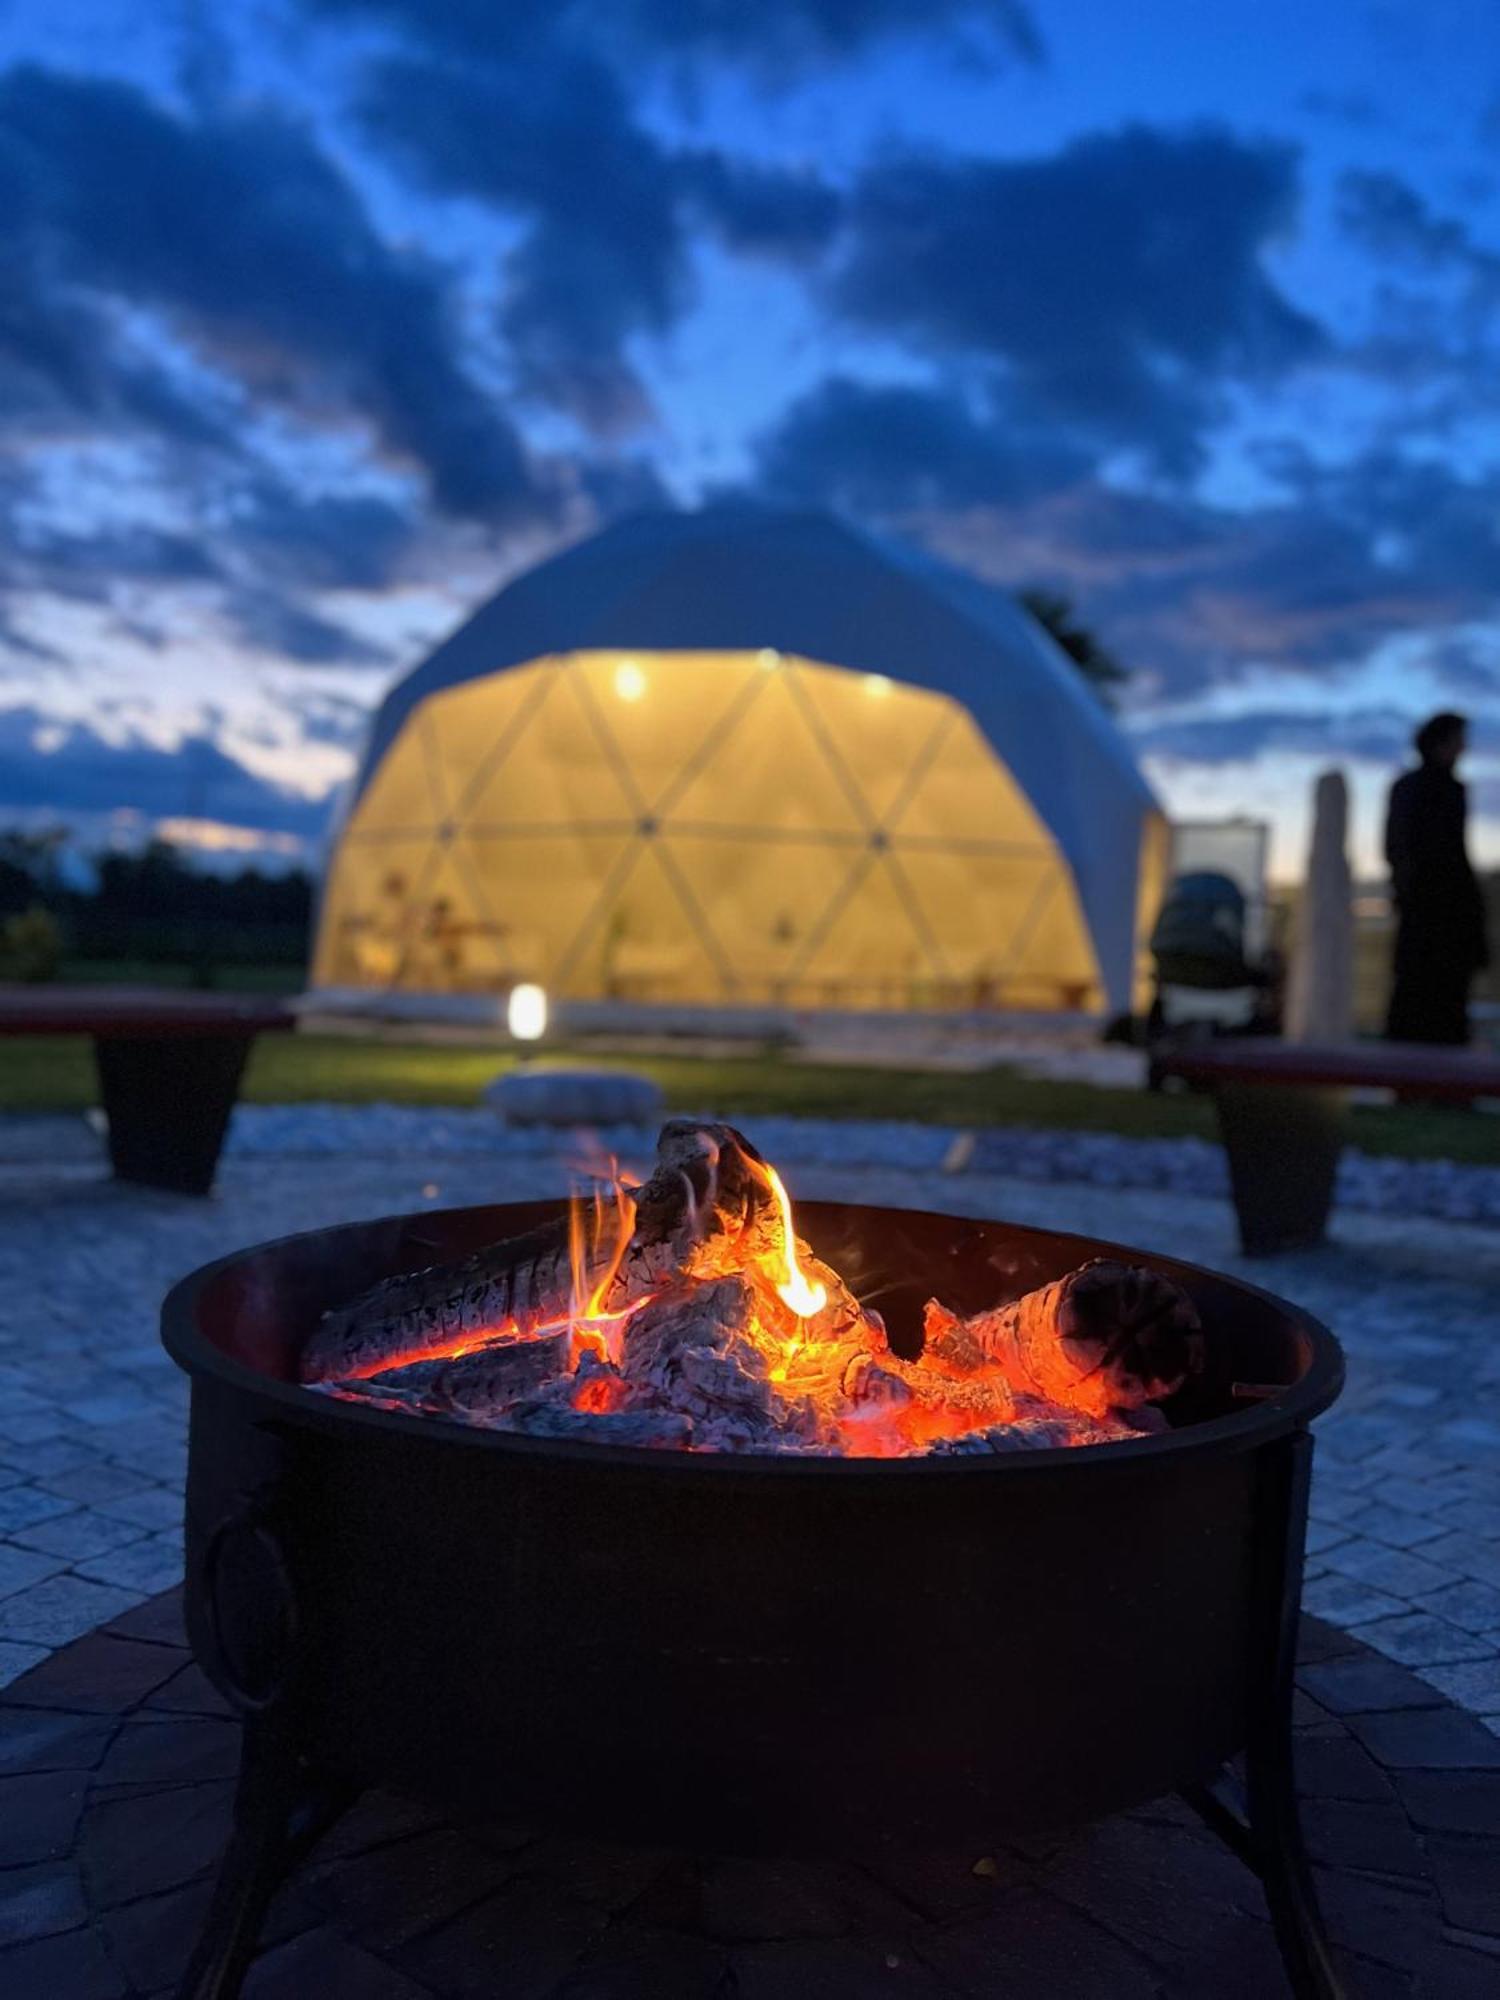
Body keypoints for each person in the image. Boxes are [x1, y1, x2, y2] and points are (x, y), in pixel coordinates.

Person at [1384, 712, 1489, 1044]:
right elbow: (1410, 852)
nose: (1464, 748)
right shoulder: (1428, 790)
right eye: (1459, 740)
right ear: (1440, 743)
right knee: (1431, 1003)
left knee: (1431, 1004)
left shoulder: (1434, 789)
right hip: (1433, 918)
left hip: (1436, 918)